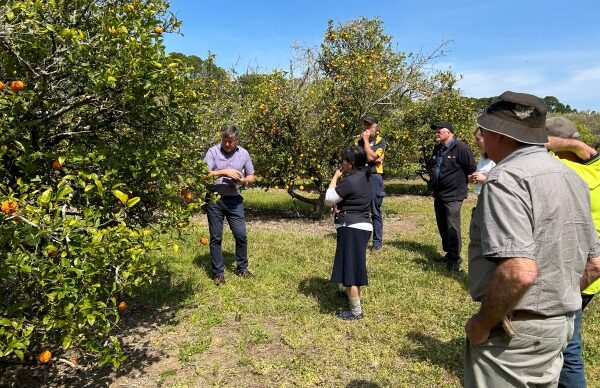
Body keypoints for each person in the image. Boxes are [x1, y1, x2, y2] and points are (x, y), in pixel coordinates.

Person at [465, 91, 600, 387]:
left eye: (485, 131)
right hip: (560, 325)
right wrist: (557, 300)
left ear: (499, 134)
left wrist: (482, 324)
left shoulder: (505, 179)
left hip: (515, 333)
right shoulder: (572, 178)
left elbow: (519, 272)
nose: (483, 138)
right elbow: (595, 262)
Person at [545, 117, 600, 388]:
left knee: (567, 347)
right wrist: (582, 146)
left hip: (575, 270)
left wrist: (571, 144)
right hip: (593, 273)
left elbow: (532, 145)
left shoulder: (561, 170)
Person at [325, 145, 373, 320]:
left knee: (350, 270)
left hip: (352, 227)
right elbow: (353, 198)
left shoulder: (350, 180)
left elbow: (329, 199)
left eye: (343, 161)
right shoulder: (365, 175)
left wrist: (335, 178)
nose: (341, 164)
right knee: (355, 265)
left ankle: (355, 312)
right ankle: (351, 297)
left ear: (351, 164)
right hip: (361, 225)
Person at [204, 125, 256, 286]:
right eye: (225, 141)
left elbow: (251, 176)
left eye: (230, 141)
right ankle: (218, 273)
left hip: (234, 200)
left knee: (241, 235)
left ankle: (242, 268)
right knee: (216, 237)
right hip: (214, 199)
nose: (227, 144)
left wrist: (243, 181)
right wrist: (224, 172)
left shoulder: (244, 153)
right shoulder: (213, 152)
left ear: (236, 141)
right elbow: (203, 174)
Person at [428, 121, 476, 271]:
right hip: (439, 194)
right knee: (442, 225)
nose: (436, 134)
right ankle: (449, 253)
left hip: (454, 195)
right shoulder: (438, 149)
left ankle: (455, 259)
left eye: (439, 131)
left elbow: (471, 169)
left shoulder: (461, 148)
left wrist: (459, 185)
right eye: (435, 132)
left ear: (449, 132)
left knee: (452, 227)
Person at [356, 115, 386, 252]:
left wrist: (366, 142)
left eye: (369, 125)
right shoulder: (358, 142)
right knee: (360, 210)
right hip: (362, 176)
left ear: (376, 126)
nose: (366, 128)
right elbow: (358, 159)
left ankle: (377, 243)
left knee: (375, 211)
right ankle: (361, 239)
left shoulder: (381, 141)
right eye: (365, 125)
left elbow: (370, 157)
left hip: (374, 177)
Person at [468, 127, 495, 196]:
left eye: (478, 139)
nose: (475, 142)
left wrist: (484, 179)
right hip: (480, 194)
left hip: (491, 196)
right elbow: (480, 175)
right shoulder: (484, 157)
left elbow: (501, 182)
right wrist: (474, 178)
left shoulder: (499, 157)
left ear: (487, 139)